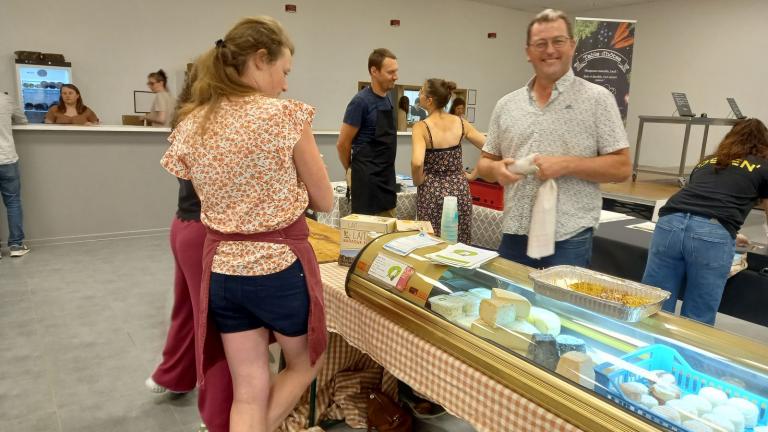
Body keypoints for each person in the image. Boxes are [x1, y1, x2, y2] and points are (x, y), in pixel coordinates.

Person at [161, 16, 332, 432]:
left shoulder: (193, 123)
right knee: (306, 362)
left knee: (248, 390)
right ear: (260, 60)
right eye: (284, 71)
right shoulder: (285, 117)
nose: (286, 84)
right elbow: (325, 200)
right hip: (279, 268)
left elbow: (207, 196)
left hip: (220, 268)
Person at [477, 8, 631, 268]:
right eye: (540, 44)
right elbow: (484, 163)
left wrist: (567, 165)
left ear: (572, 45)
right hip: (515, 232)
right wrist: (495, 169)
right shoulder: (507, 104)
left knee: (558, 309)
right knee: (507, 304)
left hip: (568, 237)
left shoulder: (597, 99)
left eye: (558, 41)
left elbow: (622, 167)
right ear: (528, 52)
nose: (549, 50)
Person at [146, 69, 232, 432]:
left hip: (184, 226)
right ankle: (218, 416)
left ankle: (173, 373)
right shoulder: (214, 125)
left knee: (188, 309)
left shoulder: (190, 119)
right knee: (217, 326)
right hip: (203, 231)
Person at [642, 119, 768, 325]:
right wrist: (722, 233)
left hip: (669, 223)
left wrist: (728, 234)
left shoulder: (709, 161)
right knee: (698, 315)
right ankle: (688, 357)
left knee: (655, 305)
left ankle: (649, 353)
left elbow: (700, 203)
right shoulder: (764, 166)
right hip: (711, 233)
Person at [411, 79, 485, 244]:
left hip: (431, 192)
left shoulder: (421, 127)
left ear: (429, 100)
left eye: (421, 91)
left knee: (430, 244)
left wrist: (417, 180)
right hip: (459, 189)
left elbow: (417, 162)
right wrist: (474, 174)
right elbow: (489, 148)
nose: (418, 94)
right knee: (459, 244)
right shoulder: (460, 123)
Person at [336, 48, 399, 217]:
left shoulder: (387, 99)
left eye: (396, 71)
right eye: (390, 72)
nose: (396, 76)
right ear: (374, 71)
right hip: (366, 182)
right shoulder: (360, 102)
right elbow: (342, 144)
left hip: (386, 179)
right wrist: (351, 169)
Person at [0, 92, 30, 257]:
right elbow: (22, 120)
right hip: (7, 158)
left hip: (7, 158)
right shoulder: (5, 99)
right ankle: (16, 245)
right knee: (13, 203)